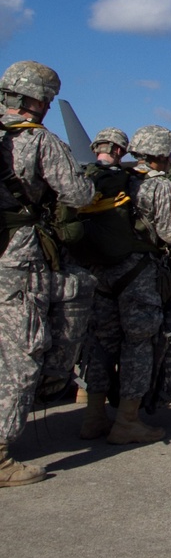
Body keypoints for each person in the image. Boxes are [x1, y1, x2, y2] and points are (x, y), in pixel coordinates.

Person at [0, 60, 95, 486]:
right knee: (21, 353)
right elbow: (79, 193)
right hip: (18, 262)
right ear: (39, 100)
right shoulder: (36, 141)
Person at [79, 124, 171, 444]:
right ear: (162, 154)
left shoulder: (108, 180)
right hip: (137, 275)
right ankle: (127, 419)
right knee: (138, 344)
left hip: (100, 273)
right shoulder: (159, 186)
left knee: (100, 344)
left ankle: (93, 417)